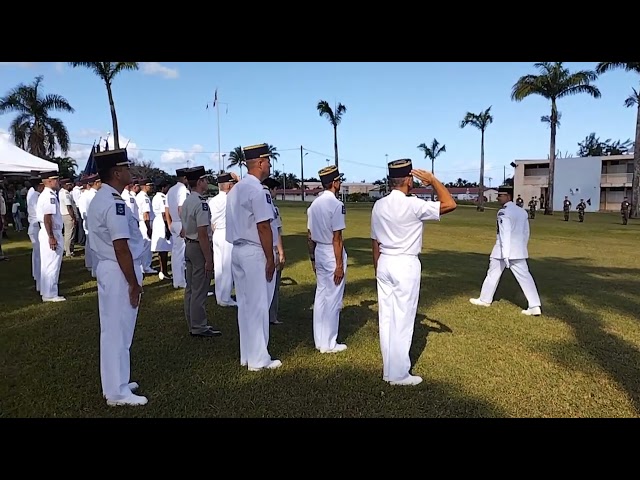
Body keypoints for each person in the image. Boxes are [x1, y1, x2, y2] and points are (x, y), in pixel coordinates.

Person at [371, 160, 456, 386]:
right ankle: (399, 374)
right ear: (409, 180)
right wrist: (433, 181)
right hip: (405, 263)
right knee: (403, 319)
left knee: (387, 318)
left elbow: (375, 241)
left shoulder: (379, 205)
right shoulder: (413, 204)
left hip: (385, 262)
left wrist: (377, 268)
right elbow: (449, 204)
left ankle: (389, 370)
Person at [87, 148, 147, 407]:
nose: (130, 172)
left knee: (117, 330)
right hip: (119, 270)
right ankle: (117, 392)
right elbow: (121, 246)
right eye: (126, 168)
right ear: (116, 173)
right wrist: (133, 283)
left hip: (111, 268)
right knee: (117, 332)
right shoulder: (114, 203)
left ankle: (118, 381)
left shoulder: (104, 198)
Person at [226, 143, 281, 371]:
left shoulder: (236, 189)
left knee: (245, 305)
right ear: (260, 163)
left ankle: (247, 355)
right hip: (253, 251)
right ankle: (259, 359)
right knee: (258, 305)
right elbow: (264, 227)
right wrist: (271, 258)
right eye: (268, 160)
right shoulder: (258, 190)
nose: (269, 164)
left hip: (237, 251)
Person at [470, 185, 542, 316]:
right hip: (518, 250)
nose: (498, 198)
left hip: (503, 250)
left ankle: (485, 299)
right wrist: (522, 247)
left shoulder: (504, 212)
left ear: (508, 196)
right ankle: (535, 305)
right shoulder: (522, 211)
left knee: (492, 274)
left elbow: (505, 233)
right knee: (525, 277)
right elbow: (526, 233)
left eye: (500, 195)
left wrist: (506, 254)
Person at [306, 165, 348, 353]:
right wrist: (339, 265)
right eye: (338, 180)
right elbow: (337, 238)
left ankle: (319, 340)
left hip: (320, 252)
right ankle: (329, 343)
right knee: (333, 298)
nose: (340, 183)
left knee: (322, 296)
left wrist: (313, 259)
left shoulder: (314, 204)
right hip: (331, 253)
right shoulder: (336, 205)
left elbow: (309, 235)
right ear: (334, 183)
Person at [179, 166, 221, 338]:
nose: (207, 183)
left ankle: (192, 322)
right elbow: (203, 233)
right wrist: (209, 259)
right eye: (205, 180)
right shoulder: (201, 203)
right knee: (200, 289)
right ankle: (199, 326)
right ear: (200, 182)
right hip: (198, 246)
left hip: (189, 244)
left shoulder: (188, 201)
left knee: (190, 288)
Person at [208, 172, 238, 307]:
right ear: (229, 185)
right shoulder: (231, 198)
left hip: (216, 233)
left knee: (219, 266)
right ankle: (225, 298)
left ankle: (219, 295)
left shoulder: (212, 200)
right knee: (227, 267)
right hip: (227, 233)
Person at [35, 171, 65, 302]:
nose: (57, 182)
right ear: (48, 181)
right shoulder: (49, 196)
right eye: (55, 179)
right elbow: (48, 217)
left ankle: (46, 291)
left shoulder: (48, 195)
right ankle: (51, 294)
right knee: (52, 263)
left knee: (48, 263)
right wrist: (51, 236)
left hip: (48, 231)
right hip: (51, 231)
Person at [262, 176, 285, 325]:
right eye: (275, 189)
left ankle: (267, 315)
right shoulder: (272, 208)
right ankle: (271, 316)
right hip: (271, 249)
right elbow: (276, 231)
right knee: (273, 285)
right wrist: (281, 252)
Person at [166, 169, 189, 288]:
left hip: (174, 222)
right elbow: (181, 208)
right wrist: (185, 226)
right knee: (181, 254)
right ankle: (180, 281)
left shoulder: (171, 190)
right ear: (185, 178)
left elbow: (167, 208)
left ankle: (176, 280)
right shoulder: (182, 190)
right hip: (181, 222)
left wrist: (169, 223)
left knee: (175, 253)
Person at [151, 181, 172, 280]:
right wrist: (167, 228)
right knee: (164, 249)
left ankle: (162, 271)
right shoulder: (162, 198)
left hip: (157, 221)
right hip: (162, 222)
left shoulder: (156, 197)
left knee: (161, 249)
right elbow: (164, 213)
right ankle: (164, 271)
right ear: (163, 187)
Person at [135, 179, 157, 274]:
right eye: (149, 185)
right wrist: (149, 228)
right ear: (144, 186)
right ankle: (146, 266)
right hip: (145, 223)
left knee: (143, 245)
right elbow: (146, 214)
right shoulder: (144, 198)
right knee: (147, 246)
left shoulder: (139, 196)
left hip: (141, 223)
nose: (151, 187)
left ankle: (143, 265)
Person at [27, 175, 44, 290]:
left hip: (33, 226)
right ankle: (40, 281)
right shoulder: (36, 196)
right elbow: (40, 214)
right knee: (40, 256)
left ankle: (37, 278)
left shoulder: (32, 194)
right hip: (36, 226)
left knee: (37, 255)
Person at [58, 179, 77, 257]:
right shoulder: (66, 194)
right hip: (68, 215)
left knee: (67, 234)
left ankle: (66, 249)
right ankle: (69, 251)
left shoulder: (60, 192)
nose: (71, 186)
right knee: (70, 234)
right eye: (69, 185)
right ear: (66, 185)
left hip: (63, 214)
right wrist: (73, 217)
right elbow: (69, 206)